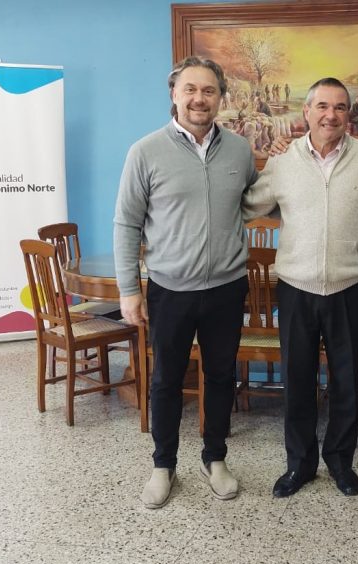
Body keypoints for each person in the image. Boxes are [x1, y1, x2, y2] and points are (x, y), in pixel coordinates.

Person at [114, 56, 257, 508]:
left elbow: (255, 201)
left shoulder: (239, 151)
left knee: (220, 376)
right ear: (174, 94)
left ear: (220, 98)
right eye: (190, 89)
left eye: (209, 91)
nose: (199, 98)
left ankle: (215, 458)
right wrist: (129, 289)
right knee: (166, 380)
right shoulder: (145, 152)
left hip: (226, 288)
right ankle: (164, 466)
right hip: (170, 290)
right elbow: (126, 224)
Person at [243, 78, 358, 498]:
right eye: (322, 106)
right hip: (295, 287)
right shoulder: (283, 162)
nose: (331, 115)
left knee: (345, 380)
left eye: (340, 107)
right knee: (298, 380)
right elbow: (247, 205)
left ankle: (341, 462)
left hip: (348, 285)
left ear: (348, 115)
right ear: (306, 112)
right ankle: (300, 464)